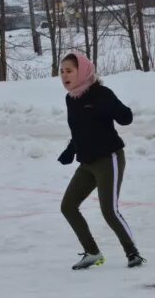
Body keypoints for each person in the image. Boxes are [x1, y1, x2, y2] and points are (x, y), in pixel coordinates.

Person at [57, 51, 145, 270]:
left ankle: (132, 252)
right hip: (87, 163)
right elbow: (79, 130)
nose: (64, 75)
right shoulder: (71, 99)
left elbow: (126, 118)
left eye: (69, 70)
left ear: (83, 71)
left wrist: (110, 107)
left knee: (109, 210)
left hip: (109, 159)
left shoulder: (101, 93)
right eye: (62, 71)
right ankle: (93, 252)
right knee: (68, 206)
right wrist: (71, 150)